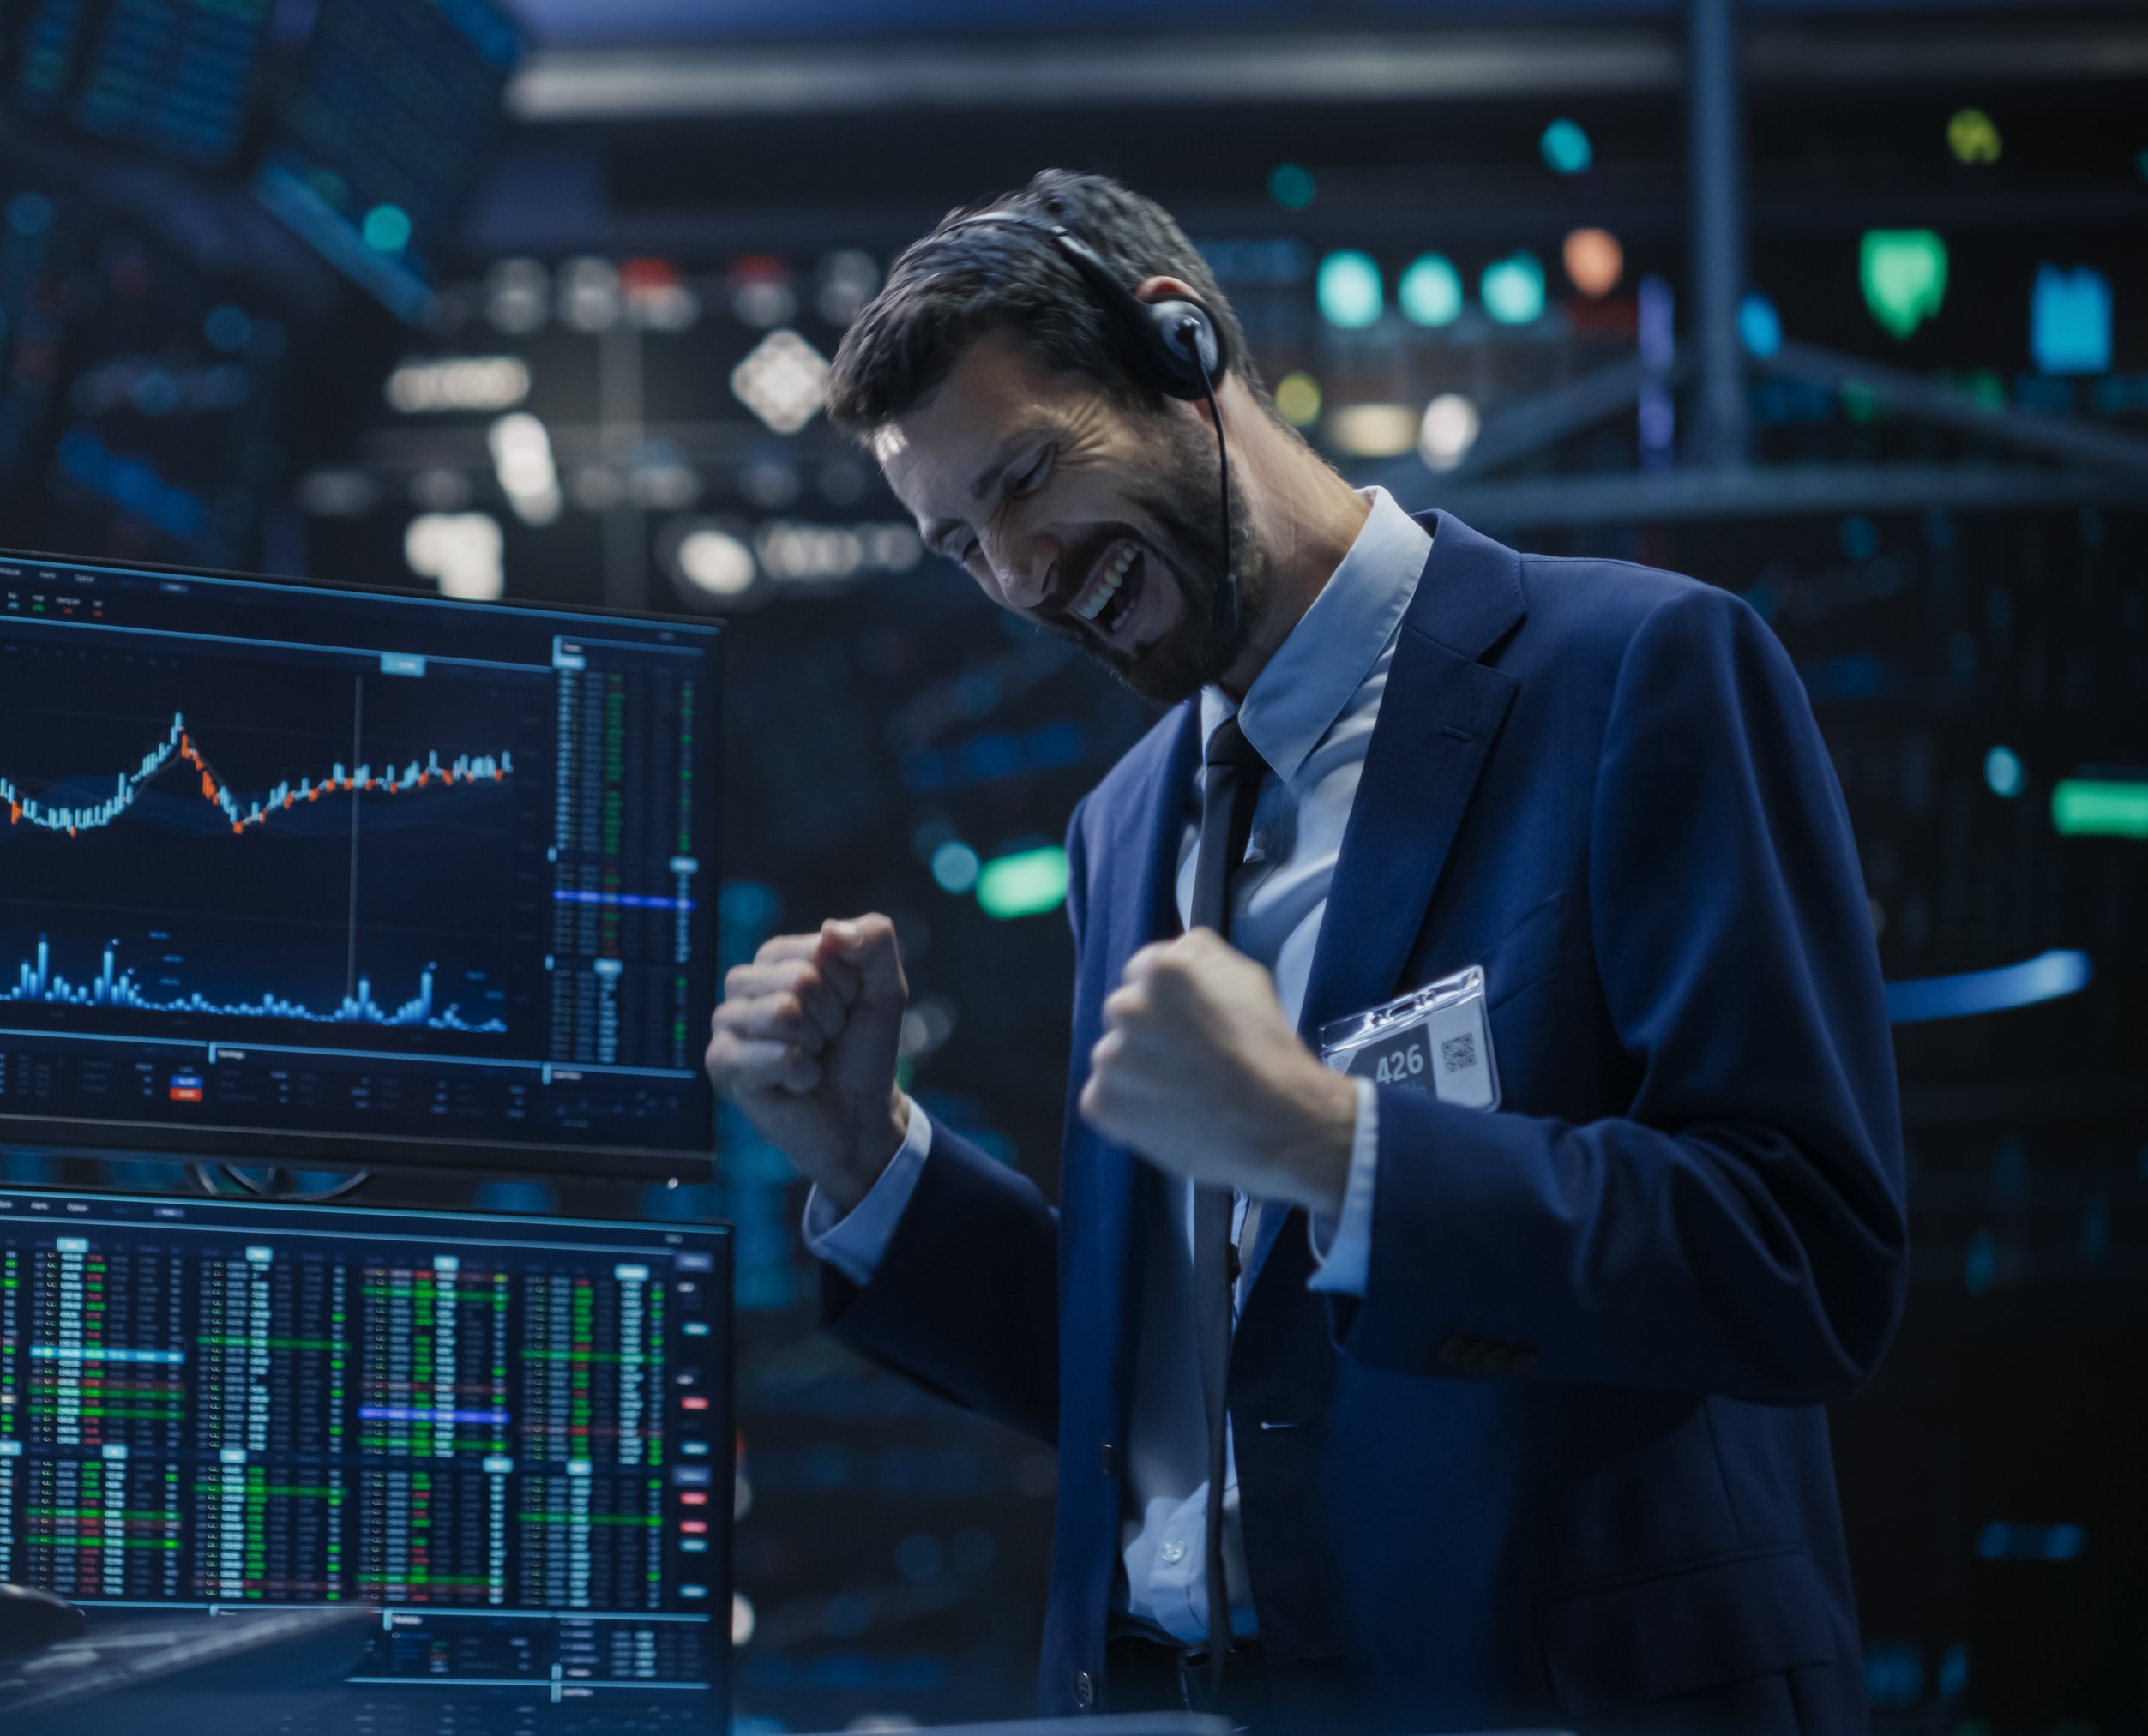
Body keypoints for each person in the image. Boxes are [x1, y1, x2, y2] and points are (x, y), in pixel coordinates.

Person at [707, 170, 1905, 1733]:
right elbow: (1183, 1371)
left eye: (1025, 478)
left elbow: (1801, 1256)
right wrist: (869, 1160)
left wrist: (1334, 1148)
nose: (1017, 577)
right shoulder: (1120, 826)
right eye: (959, 546)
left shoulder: (1637, 673)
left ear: (1184, 350)